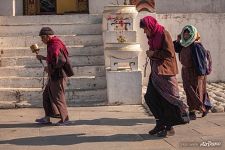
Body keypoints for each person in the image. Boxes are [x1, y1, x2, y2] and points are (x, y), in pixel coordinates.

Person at [140, 16, 189, 137]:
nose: (144, 31)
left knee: (166, 100)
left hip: (165, 72)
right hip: (157, 72)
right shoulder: (152, 37)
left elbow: (169, 53)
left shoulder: (163, 33)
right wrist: (152, 54)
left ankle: (169, 127)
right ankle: (160, 123)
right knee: (150, 97)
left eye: (145, 28)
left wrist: (153, 53)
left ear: (150, 26)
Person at [173, 25, 212, 120]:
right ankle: (193, 112)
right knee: (188, 90)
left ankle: (203, 107)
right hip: (185, 71)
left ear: (192, 34)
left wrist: (201, 73)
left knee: (196, 91)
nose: (186, 35)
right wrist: (178, 40)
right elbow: (176, 48)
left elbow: (201, 60)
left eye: (188, 33)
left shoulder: (196, 45)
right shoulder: (183, 44)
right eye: (184, 33)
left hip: (195, 72)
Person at [35, 27, 70, 126]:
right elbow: (54, 59)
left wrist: (49, 68)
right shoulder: (52, 44)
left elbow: (61, 61)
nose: (42, 40)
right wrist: (44, 58)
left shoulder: (55, 44)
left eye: (42, 38)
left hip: (58, 75)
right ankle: (47, 117)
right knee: (46, 95)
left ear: (47, 36)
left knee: (58, 97)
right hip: (54, 75)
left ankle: (65, 119)